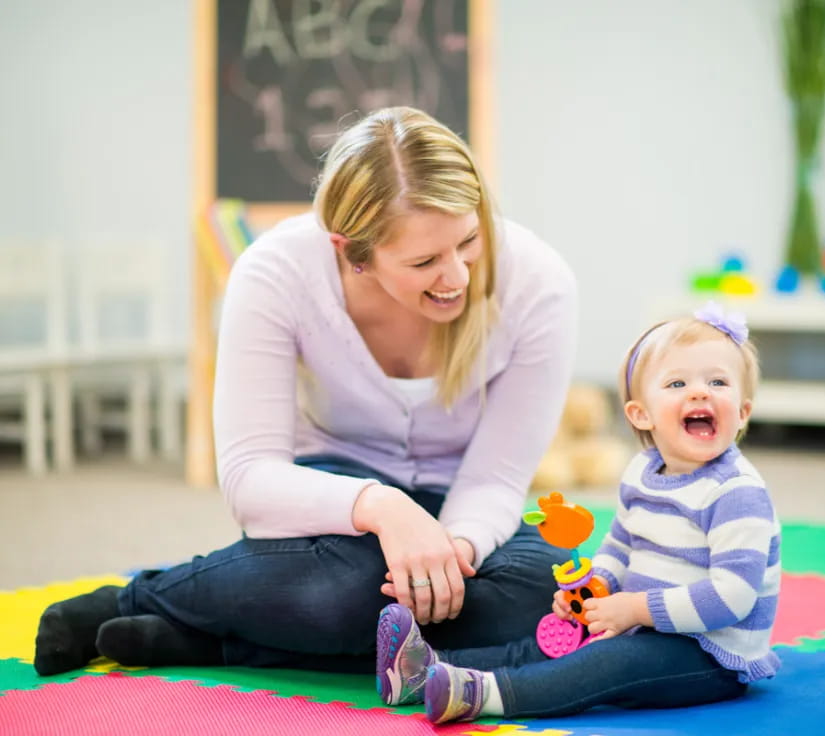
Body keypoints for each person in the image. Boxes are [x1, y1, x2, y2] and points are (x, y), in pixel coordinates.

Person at [33, 106, 578, 676]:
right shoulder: (274, 272)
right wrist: (381, 507)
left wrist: (454, 554)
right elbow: (249, 478)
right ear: (351, 253)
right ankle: (137, 598)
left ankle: (213, 642)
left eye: (468, 240)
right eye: (425, 261)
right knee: (350, 586)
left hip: (464, 502)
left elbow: (495, 479)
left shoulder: (540, 283)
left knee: (548, 599)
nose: (458, 276)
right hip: (333, 498)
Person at [375, 302, 782, 723]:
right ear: (640, 415)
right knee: (556, 639)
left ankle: (484, 694)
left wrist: (635, 609)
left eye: (718, 381)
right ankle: (427, 668)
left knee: (605, 664)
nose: (701, 392)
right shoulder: (643, 471)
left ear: (743, 412)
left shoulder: (736, 493)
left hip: (709, 655)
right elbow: (621, 543)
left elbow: (732, 596)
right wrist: (598, 587)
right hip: (642, 624)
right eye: (677, 383)